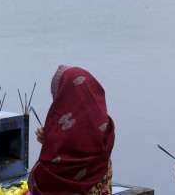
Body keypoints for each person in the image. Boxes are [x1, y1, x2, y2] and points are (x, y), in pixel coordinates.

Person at [28, 66, 115, 195]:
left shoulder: (62, 134)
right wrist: (51, 139)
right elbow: (80, 148)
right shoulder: (104, 127)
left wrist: (51, 142)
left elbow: (42, 181)